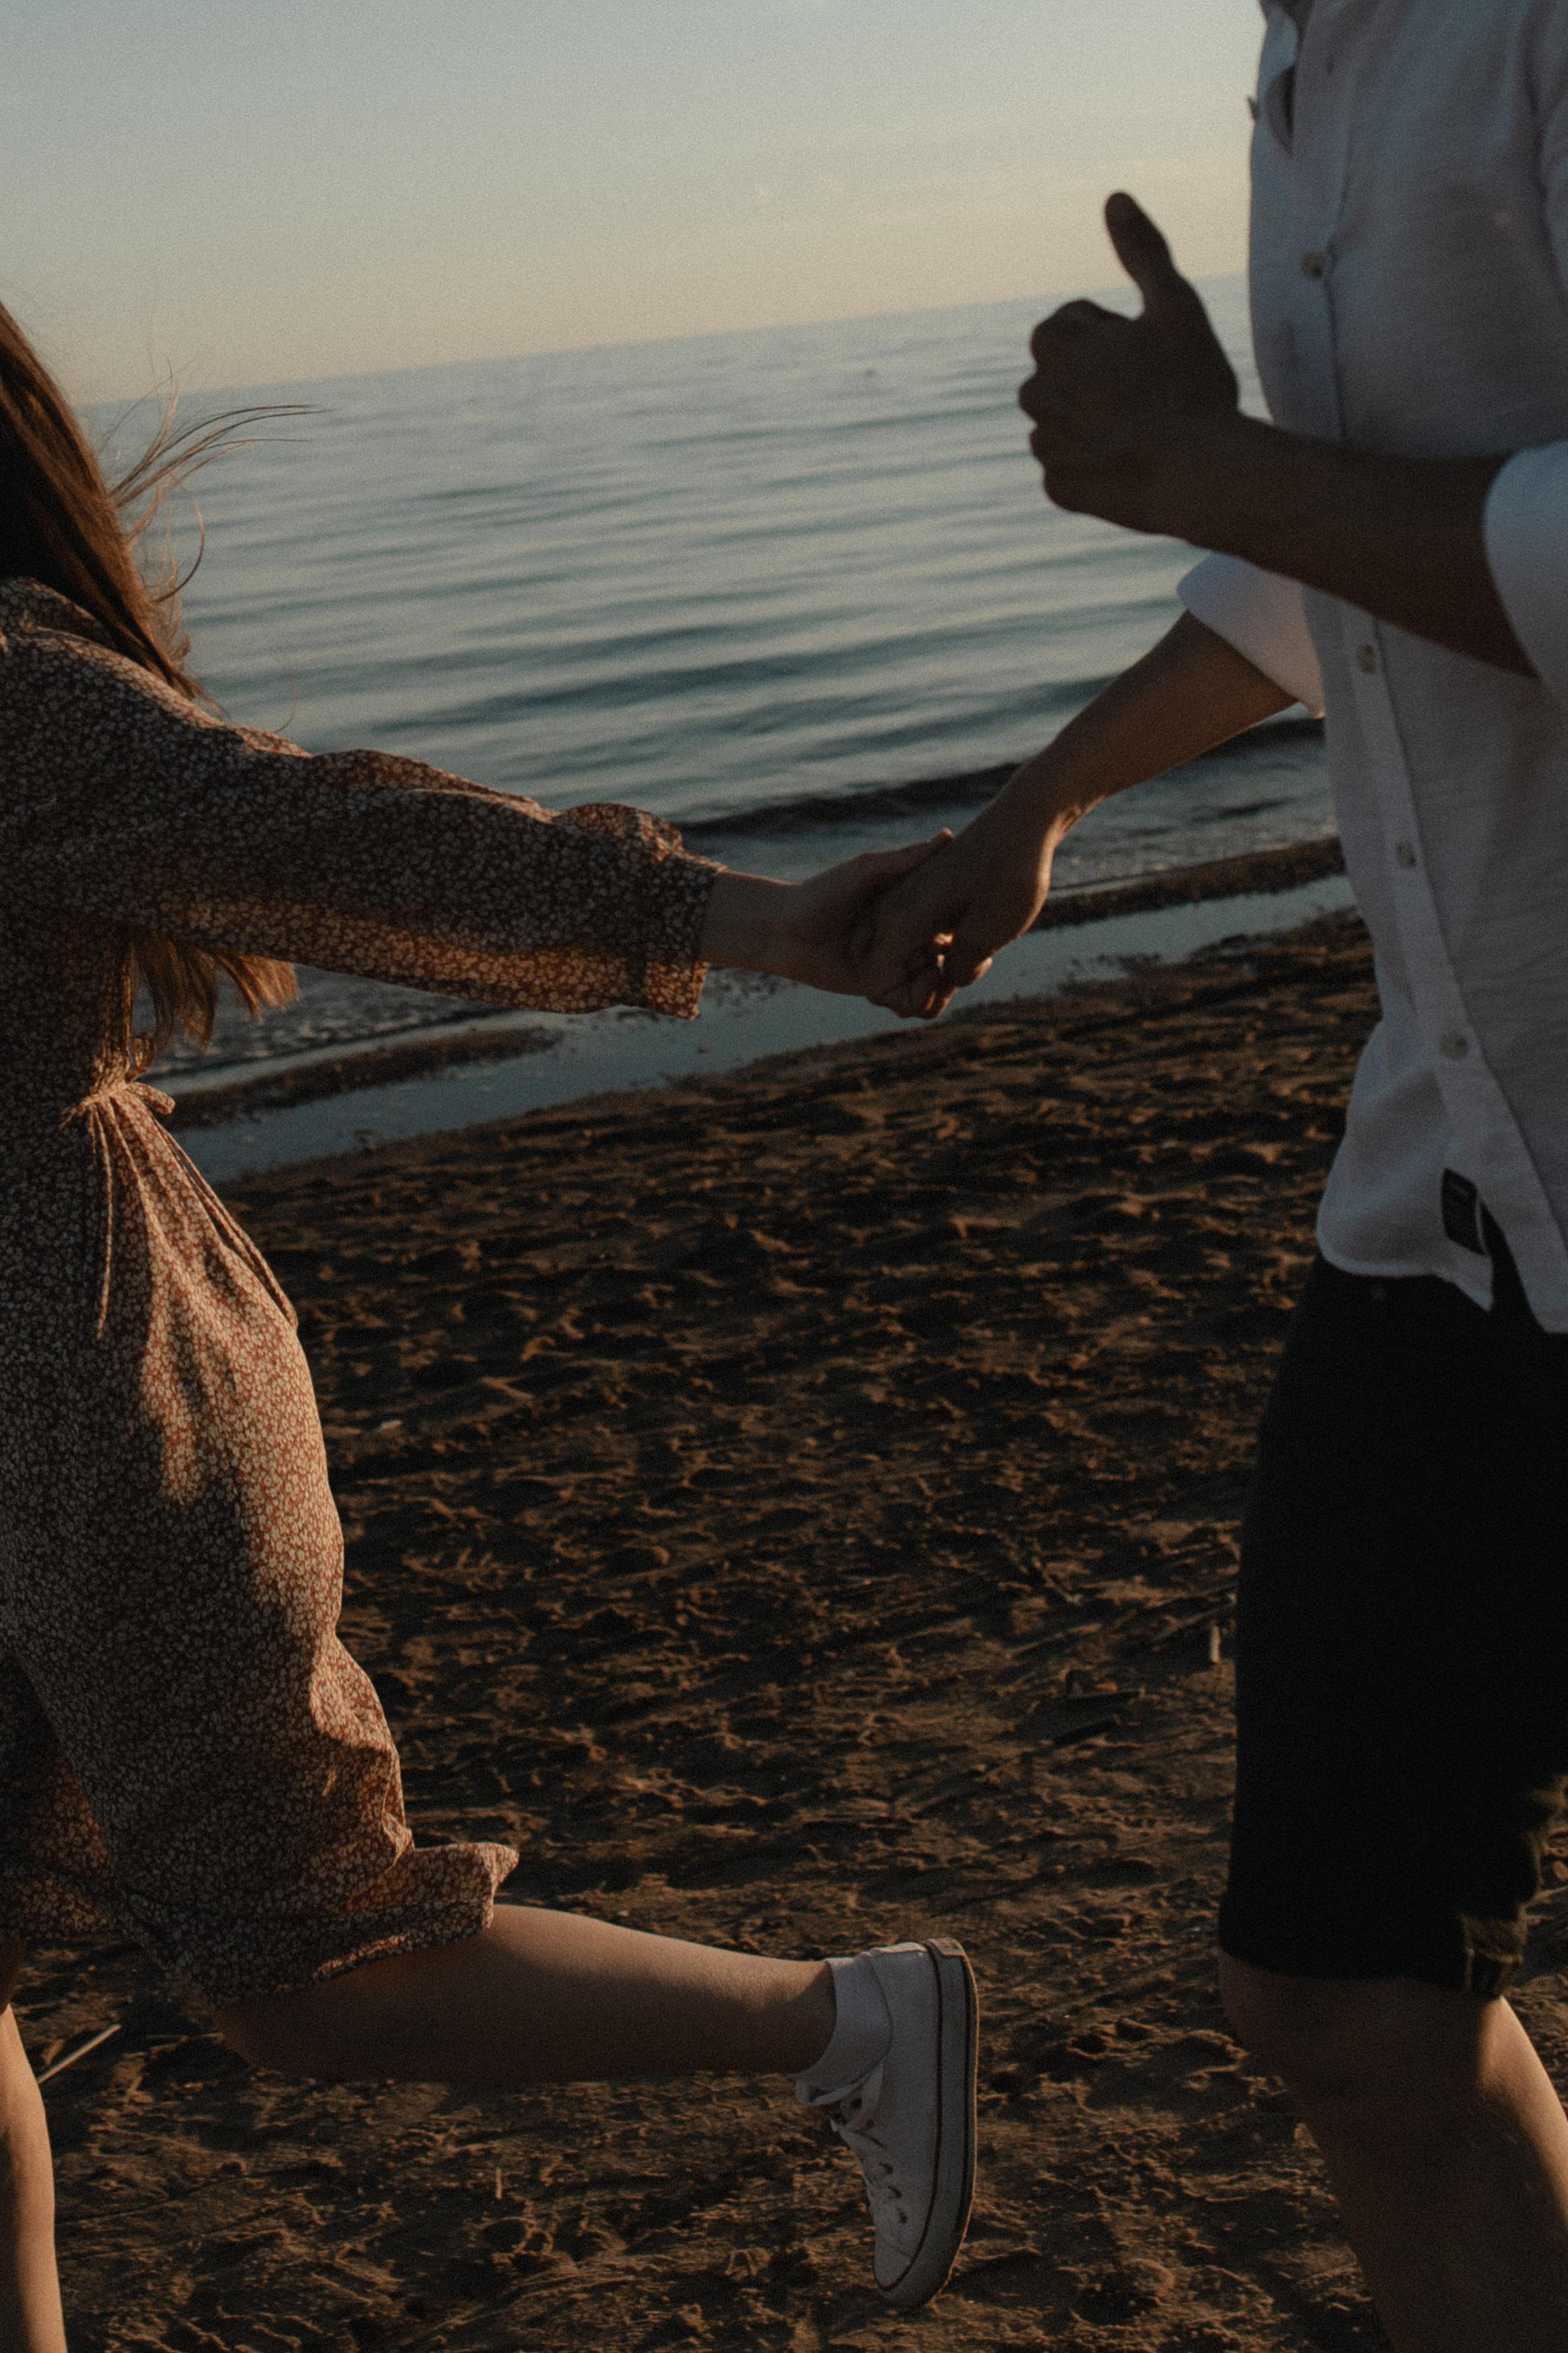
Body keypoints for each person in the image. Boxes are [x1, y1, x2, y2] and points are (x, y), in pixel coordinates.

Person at [0, 304, 979, 2350]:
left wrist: (742, 915)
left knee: (311, 1971)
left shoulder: (12, 696)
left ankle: (854, 2021)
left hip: (94, 1396)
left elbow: (335, 832)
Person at [863, 5, 1568, 2346]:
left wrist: (1209, 470)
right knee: (1342, 1995)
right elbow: (1341, 542)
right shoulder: (1324, 59)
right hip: (1456, 1187)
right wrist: (1042, 797)